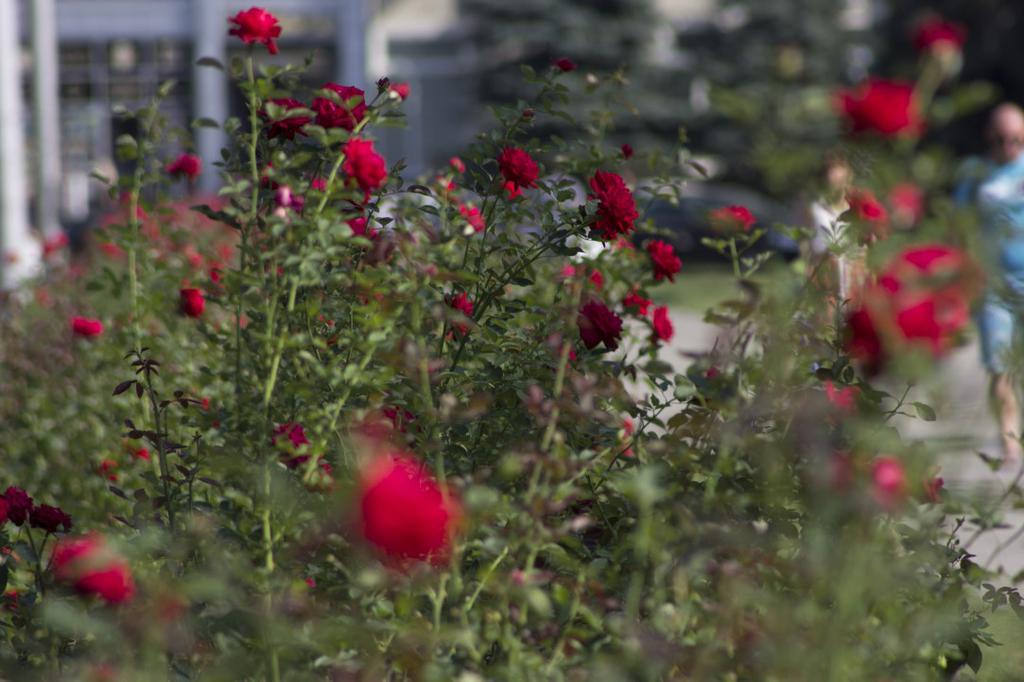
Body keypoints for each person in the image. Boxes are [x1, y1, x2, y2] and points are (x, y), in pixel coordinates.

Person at [954, 103, 1024, 465]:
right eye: (1001, 138)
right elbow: (961, 226)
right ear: (989, 137)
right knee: (999, 366)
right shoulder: (976, 174)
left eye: (1017, 138)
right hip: (993, 287)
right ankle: (1010, 440)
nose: (1009, 146)